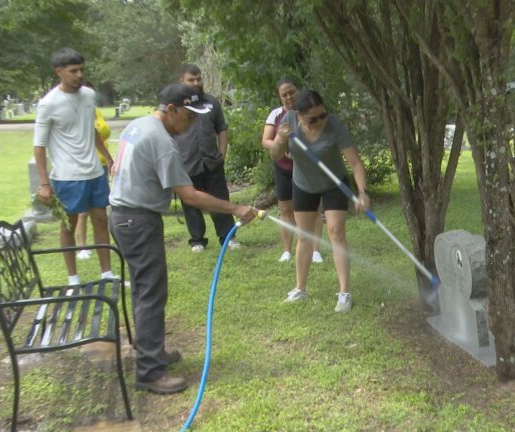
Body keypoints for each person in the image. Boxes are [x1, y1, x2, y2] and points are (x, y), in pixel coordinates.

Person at [109, 83, 256, 394]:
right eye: (189, 116)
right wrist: (236, 207)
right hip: (137, 220)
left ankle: (151, 352)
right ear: (171, 110)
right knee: (151, 293)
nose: (192, 123)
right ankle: (149, 372)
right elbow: (190, 196)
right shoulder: (161, 141)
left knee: (143, 288)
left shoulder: (137, 125)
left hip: (124, 217)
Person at [270, 90, 370, 313]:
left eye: (322, 115)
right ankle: (300, 289)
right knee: (304, 236)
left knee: (336, 232)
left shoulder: (335, 126)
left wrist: (363, 193)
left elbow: (355, 163)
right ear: (299, 115)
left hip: (334, 183)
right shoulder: (288, 122)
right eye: (313, 118)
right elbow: (276, 155)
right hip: (303, 183)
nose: (320, 121)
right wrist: (280, 139)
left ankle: (344, 293)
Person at [33, 48, 115, 285]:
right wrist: (44, 184)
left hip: (94, 172)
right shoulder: (48, 104)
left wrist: (108, 158)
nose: (79, 75)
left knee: (101, 220)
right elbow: (39, 147)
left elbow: (91, 130)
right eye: (73, 71)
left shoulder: (89, 95)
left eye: (81, 70)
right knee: (68, 225)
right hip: (67, 176)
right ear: (59, 72)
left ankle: (107, 273)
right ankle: (73, 278)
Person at [174, 64, 238, 253]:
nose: (196, 83)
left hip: (212, 161)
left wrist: (222, 154)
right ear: (182, 81)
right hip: (186, 163)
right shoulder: (176, 106)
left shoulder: (211, 102)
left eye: (199, 79)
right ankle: (197, 241)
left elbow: (222, 129)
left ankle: (228, 237)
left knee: (219, 199)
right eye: (191, 80)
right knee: (191, 202)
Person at [261, 79, 324, 263]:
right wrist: (280, 146)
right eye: (284, 94)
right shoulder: (275, 115)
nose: (289, 97)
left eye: (292, 92)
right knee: (285, 209)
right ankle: (287, 250)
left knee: (314, 209)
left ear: (298, 91)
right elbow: (266, 140)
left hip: (307, 169)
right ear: (280, 97)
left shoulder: (309, 111)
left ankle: (315, 250)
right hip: (283, 168)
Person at [75, 81, 111, 260]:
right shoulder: (78, 113)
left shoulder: (95, 111)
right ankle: (81, 247)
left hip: (101, 164)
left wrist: (110, 159)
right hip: (84, 165)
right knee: (82, 211)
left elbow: (100, 135)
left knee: (99, 211)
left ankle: (102, 247)